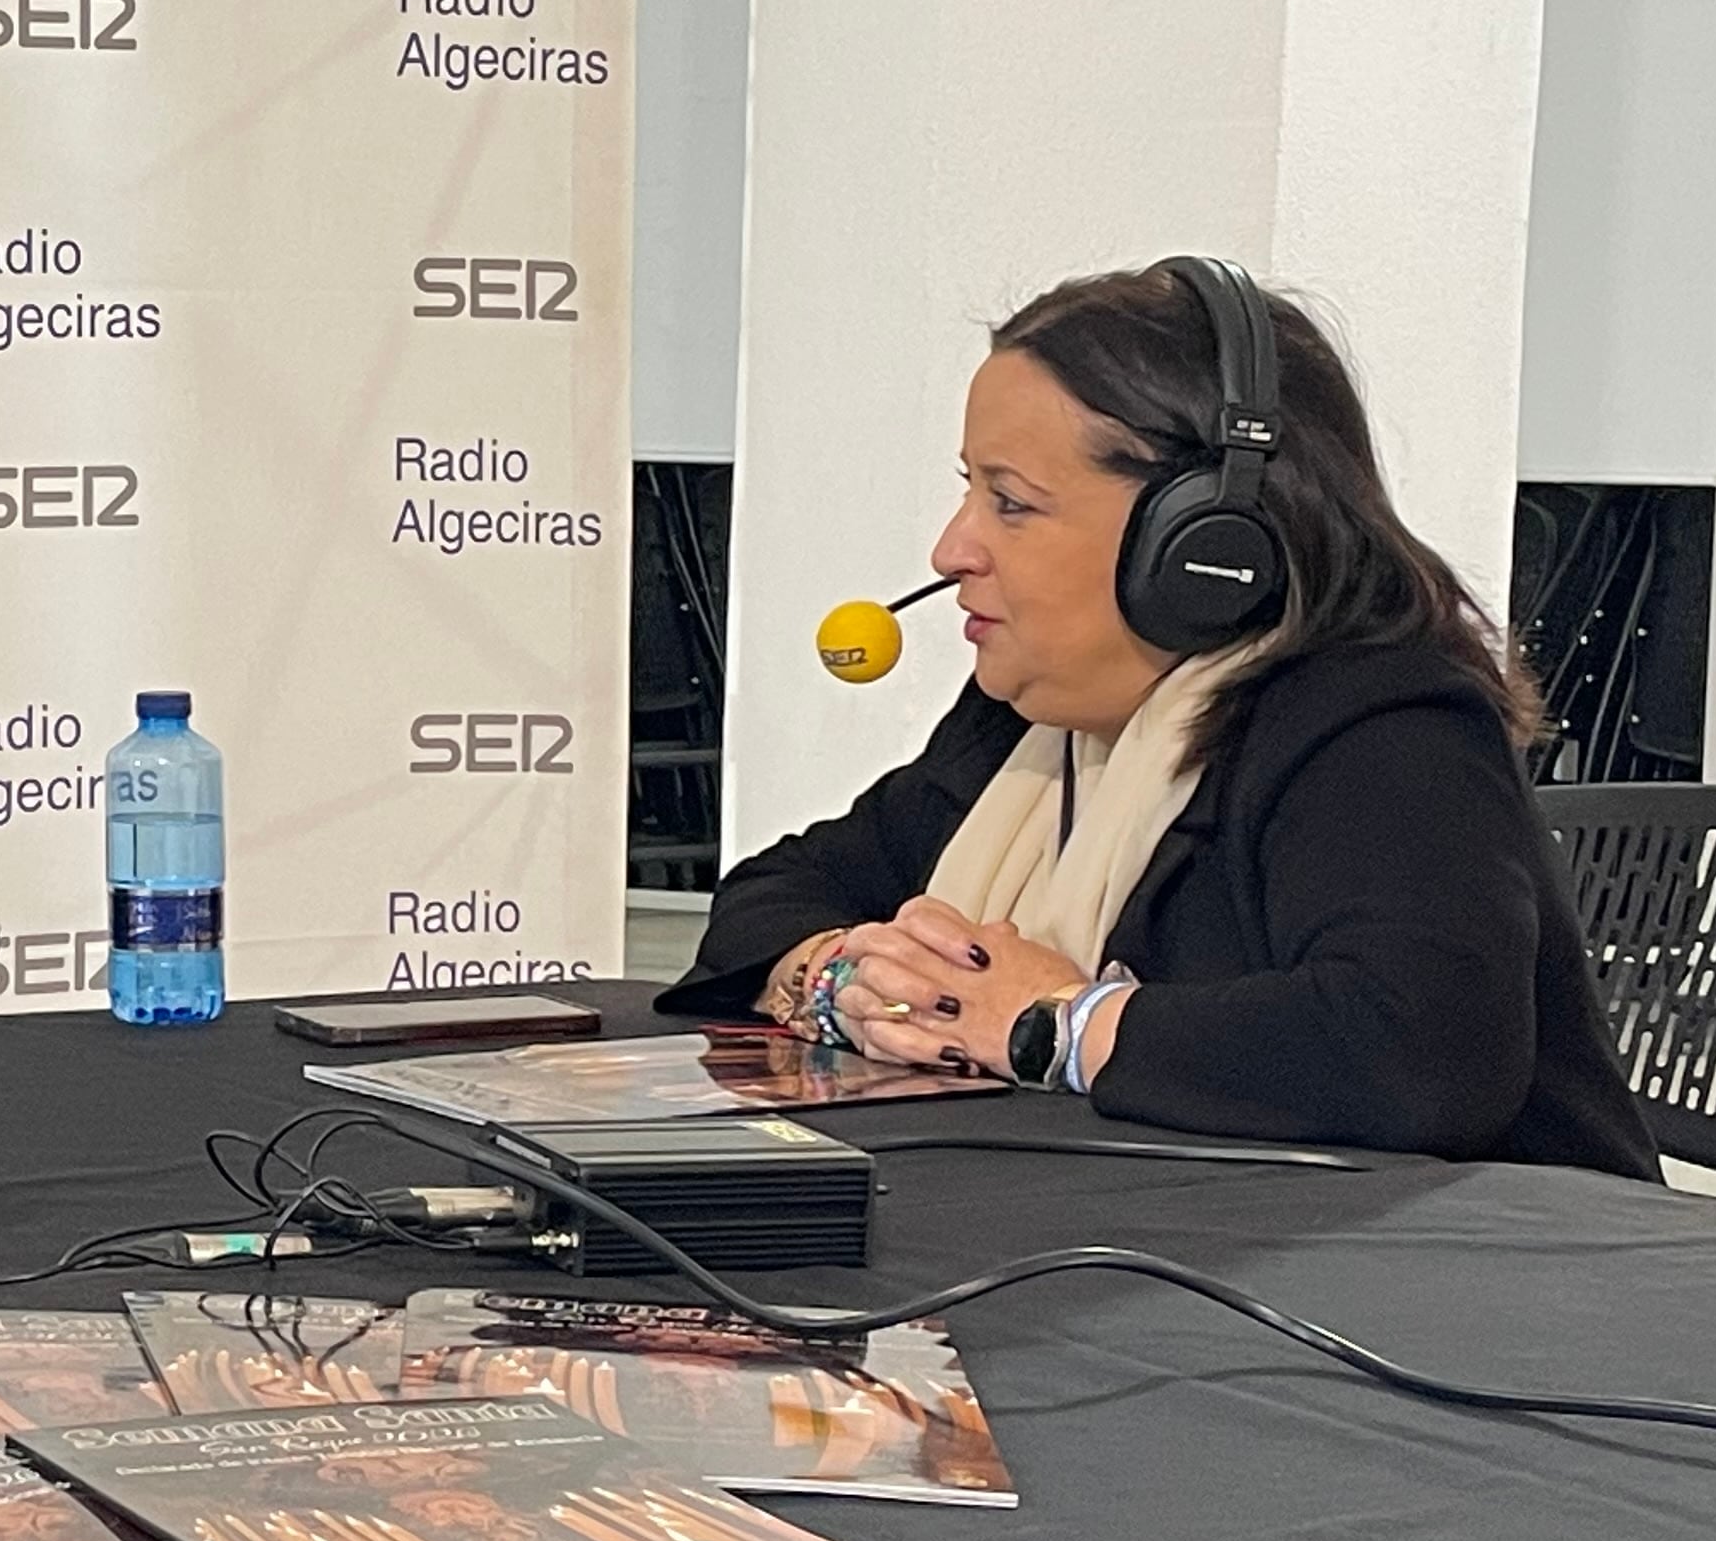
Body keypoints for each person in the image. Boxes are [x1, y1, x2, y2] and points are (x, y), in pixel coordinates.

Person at [660, 260, 1656, 1177]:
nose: (951, 549)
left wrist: (1051, 1025)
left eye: (1011, 504)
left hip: (1480, 1314)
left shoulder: (1383, 727)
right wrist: (855, 981)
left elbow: (1417, 1053)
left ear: (1202, 546)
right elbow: (777, 893)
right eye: (970, 491)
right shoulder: (1033, 726)